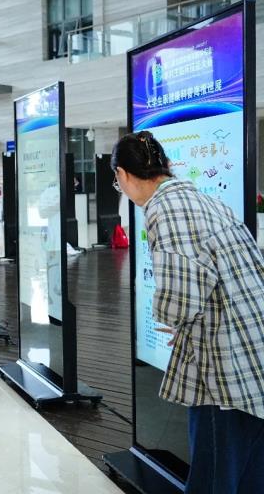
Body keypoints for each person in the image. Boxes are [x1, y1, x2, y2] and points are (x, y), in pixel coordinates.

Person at [111, 131, 264, 493]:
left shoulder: (164, 209)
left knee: (214, 473)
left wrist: (167, 314)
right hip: (253, 346)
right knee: (250, 469)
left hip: (222, 362)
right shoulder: (201, 198)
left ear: (124, 175)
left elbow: (180, 295)